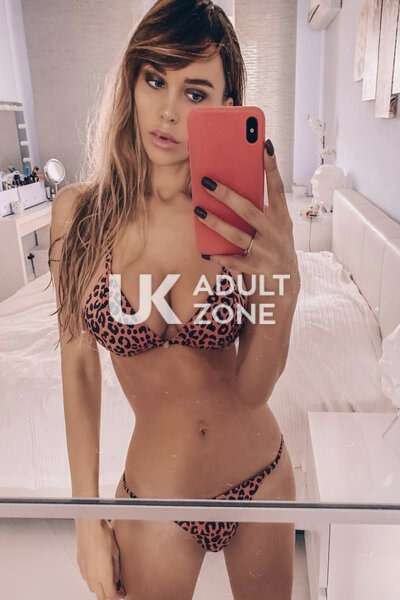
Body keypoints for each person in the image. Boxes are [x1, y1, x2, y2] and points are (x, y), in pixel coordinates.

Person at [49, 1, 300, 598]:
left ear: (226, 105)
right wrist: (85, 518)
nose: (167, 111)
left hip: (260, 479)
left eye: (195, 93)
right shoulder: (80, 215)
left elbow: (252, 390)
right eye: (155, 79)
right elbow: (78, 366)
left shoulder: (240, 220)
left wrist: (285, 289)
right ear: (132, 80)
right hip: (154, 499)